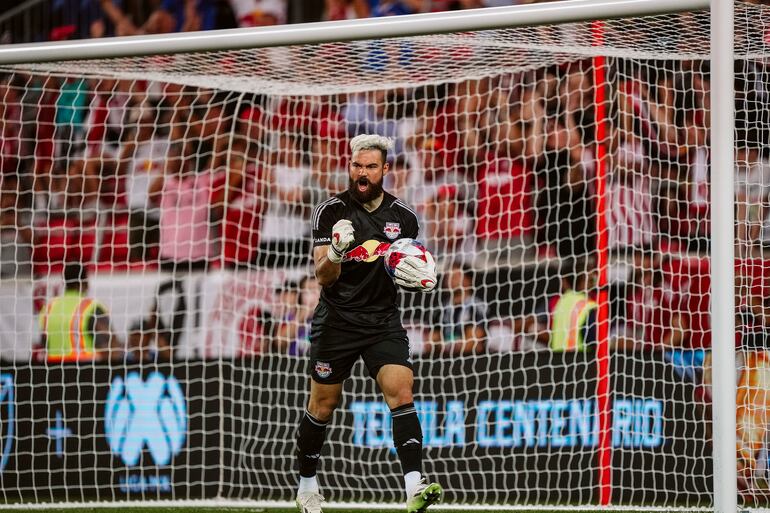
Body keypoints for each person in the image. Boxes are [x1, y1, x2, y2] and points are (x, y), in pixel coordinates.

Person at [294, 134, 442, 513]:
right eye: (357, 166)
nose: (362, 173)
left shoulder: (404, 217)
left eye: (370, 167)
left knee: (401, 391)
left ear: (385, 169)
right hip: (337, 320)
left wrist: (418, 276)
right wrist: (339, 251)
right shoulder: (330, 212)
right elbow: (323, 276)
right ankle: (307, 486)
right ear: (350, 166)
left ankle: (413, 488)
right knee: (323, 404)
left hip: (382, 321)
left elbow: (403, 267)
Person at [38, 263, 119, 363]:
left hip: (53, 372)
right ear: (84, 282)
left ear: (64, 282)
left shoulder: (48, 308)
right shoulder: (91, 307)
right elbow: (110, 345)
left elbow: (44, 344)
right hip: (85, 371)